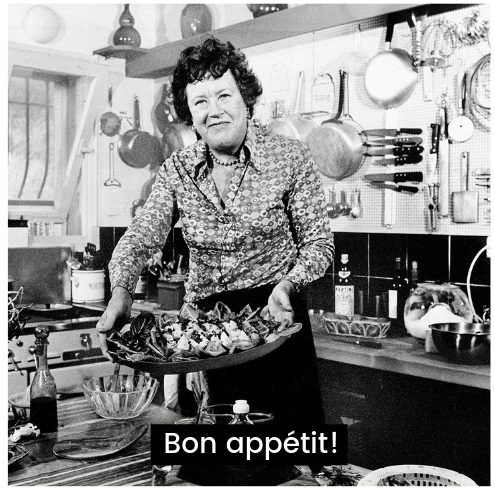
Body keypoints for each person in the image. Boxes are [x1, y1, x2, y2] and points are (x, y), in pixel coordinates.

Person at [96, 37, 334, 430]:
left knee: (293, 453)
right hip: (207, 337)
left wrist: (288, 286)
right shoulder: (178, 169)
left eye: (223, 95)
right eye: (200, 102)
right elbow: (140, 238)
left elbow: (318, 244)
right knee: (224, 458)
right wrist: (120, 291)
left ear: (246, 98)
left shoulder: (289, 157)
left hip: (275, 319)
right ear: (190, 112)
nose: (214, 111)